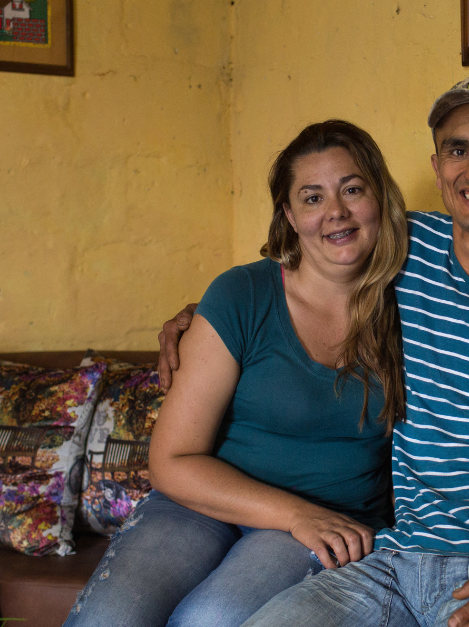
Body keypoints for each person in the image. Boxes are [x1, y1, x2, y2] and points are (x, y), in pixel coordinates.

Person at [158, 71, 469, 627]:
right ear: (437, 169)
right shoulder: (404, 250)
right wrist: (198, 319)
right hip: (392, 562)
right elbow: (305, 272)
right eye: (458, 149)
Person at [63, 119, 409, 627]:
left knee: (210, 619)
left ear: (380, 196)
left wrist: (304, 519)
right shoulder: (242, 294)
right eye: (312, 198)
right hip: (203, 504)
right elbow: (173, 460)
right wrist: (294, 513)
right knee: (109, 618)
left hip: (327, 523)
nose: (335, 212)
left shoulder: (420, 300)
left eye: (352, 189)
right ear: (289, 214)